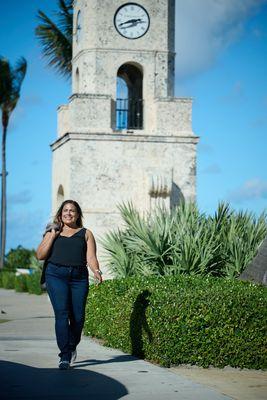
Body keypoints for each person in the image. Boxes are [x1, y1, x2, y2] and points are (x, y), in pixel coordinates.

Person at [36, 199, 103, 370]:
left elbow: (91, 257)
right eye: (65, 210)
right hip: (55, 275)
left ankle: (72, 345)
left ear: (78, 214)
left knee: (78, 318)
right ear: (60, 214)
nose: (68, 213)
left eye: (72, 210)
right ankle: (64, 355)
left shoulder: (86, 233)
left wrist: (96, 271)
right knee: (62, 313)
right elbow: (40, 255)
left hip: (79, 277)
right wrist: (52, 235)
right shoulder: (52, 232)